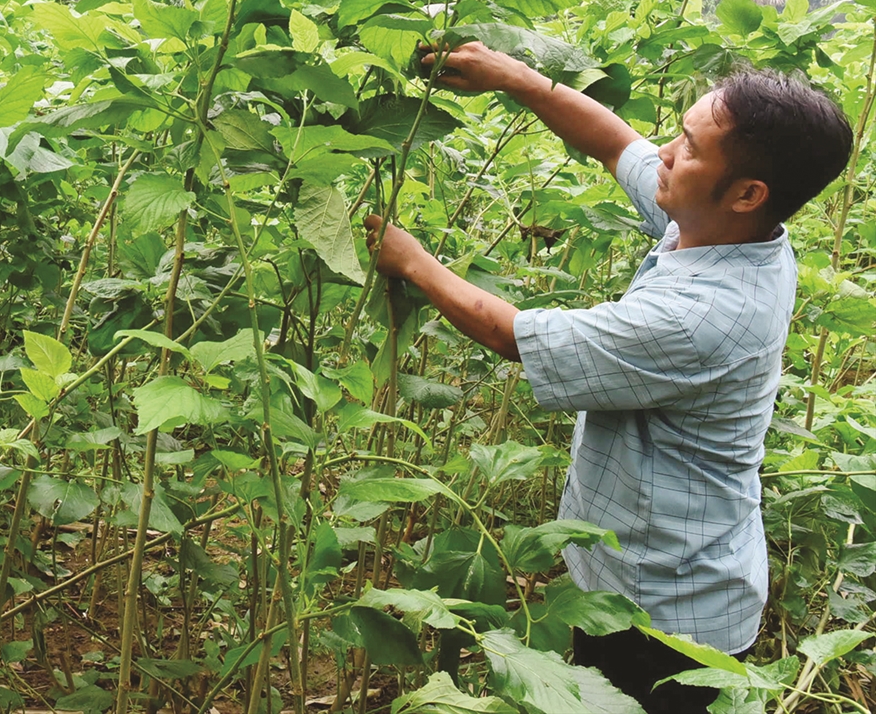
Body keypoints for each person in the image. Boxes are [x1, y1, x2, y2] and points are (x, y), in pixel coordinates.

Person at [364, 39, 853, 714]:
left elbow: (512, 334)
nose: (669, 153)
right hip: (637, 575)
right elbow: (617, 145)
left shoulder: (702, 314)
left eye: (689, 146)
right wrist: (513, 75)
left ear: (747, 192)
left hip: (667, 615)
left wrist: (410, 258)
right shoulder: (730, 227)